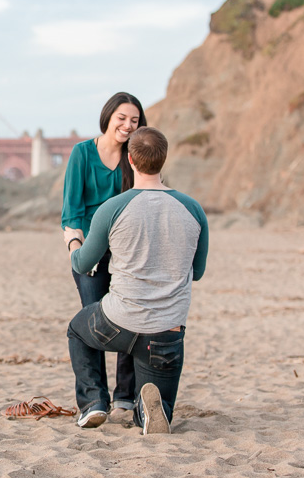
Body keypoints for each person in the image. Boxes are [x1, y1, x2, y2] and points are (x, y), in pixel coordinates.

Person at [63, 127, 208, 433]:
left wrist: (73, 239)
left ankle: (93, 403)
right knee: (158, 407)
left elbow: (82, 263)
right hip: (167, 331)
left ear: (129, 159)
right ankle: (146, 412)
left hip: (118, 323)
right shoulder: (193, 209)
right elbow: (199, 270)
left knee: (78, 330)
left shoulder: (112, 208)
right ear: (164, 160)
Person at [61, 92, 147, 423]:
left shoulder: (135, 157)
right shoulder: (83, 153)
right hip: (89, 251)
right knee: (92, 321)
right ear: (108, 117)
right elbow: (72, 209)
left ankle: (125, 396)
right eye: (122, 118)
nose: (127, 126)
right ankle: (95, 401)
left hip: (127, 252)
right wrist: (77, 253)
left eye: (135, 121)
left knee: (130, 317)